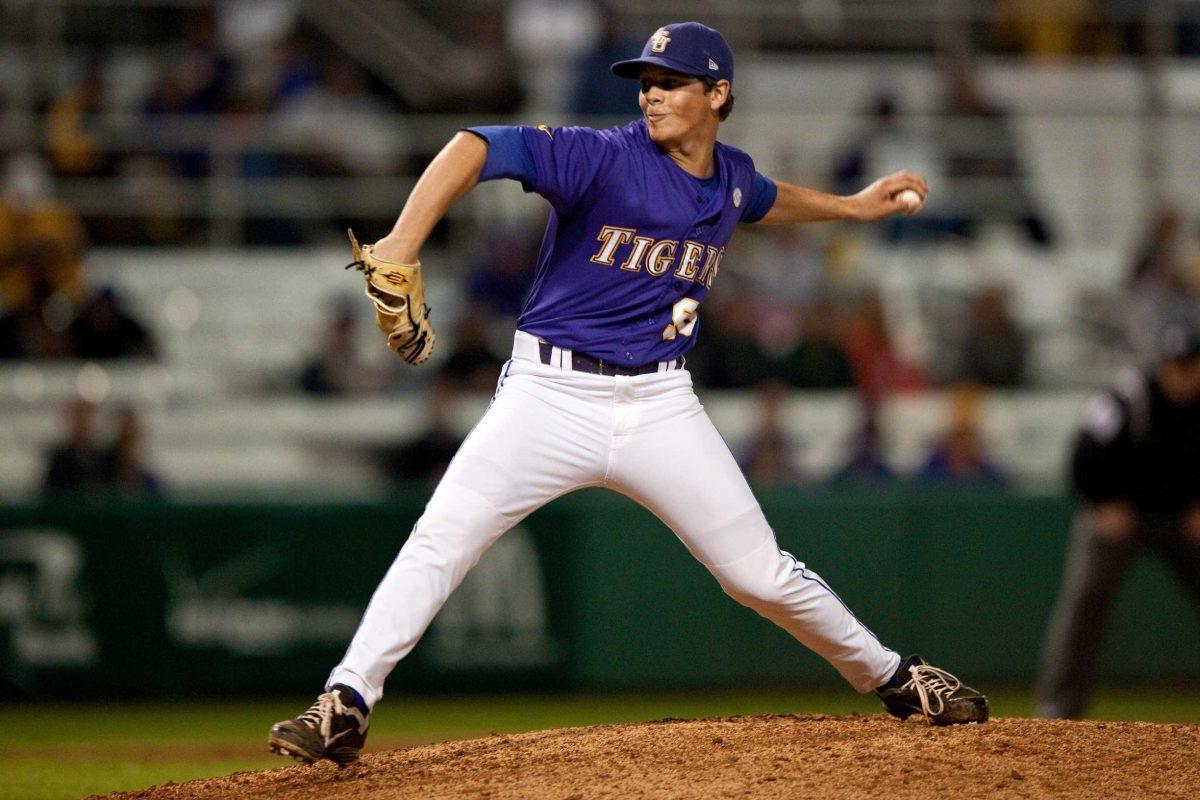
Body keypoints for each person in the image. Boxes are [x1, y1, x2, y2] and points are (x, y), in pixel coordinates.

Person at [268, 22, 988, 768]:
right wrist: (401, 243)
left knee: (757, 573)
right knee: (442, 539)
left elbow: (765, 199)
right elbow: (474, 144)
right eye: (646, 79)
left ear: (718, 94)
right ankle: (346, 701)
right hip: (547, 394)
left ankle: (896, 677)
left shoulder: (732, 178)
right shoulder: (601, 155)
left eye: (671, 80)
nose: (651, 92)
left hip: (660, 405)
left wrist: (854, 206)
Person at [1034, 323, 1200, 719]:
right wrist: (1103, 501)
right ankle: (1059, 709)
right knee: (1085, 601)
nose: (1182, 374)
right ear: (1162, 365)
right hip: (1121, 515)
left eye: (1191, 365)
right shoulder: (1129, 396)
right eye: (1176, 365)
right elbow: (1083, 453)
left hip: (1182, 519)